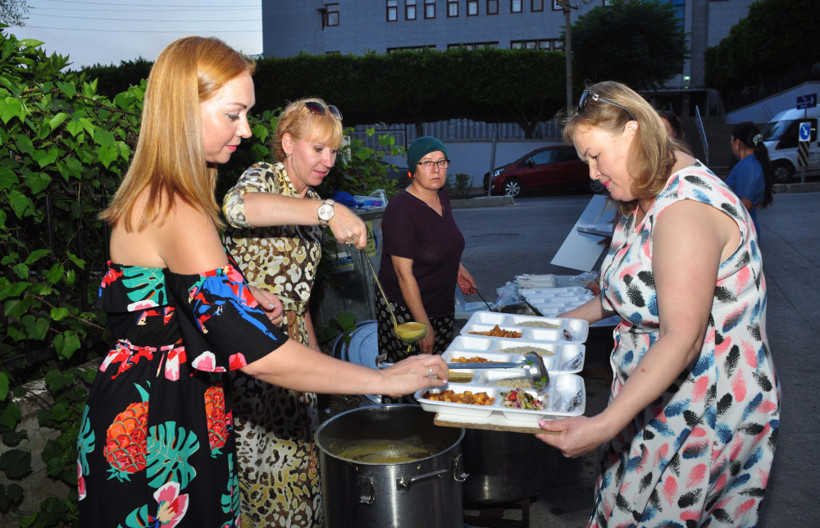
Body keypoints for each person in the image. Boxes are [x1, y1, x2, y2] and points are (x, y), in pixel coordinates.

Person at [76, 36, 448, 528]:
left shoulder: (160, 192)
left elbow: (161, 301)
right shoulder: (179, 207)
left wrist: (244, 295)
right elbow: (260, 352)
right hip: (157, 426)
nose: (247, 130)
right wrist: (383, 379)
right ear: (183, 110)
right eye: (233, 114)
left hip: (157, 410)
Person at [537, 81, 780, 527]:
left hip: (704, 410)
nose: (591, 172)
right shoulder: (641, 195)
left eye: (595, 155)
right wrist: (540, 333)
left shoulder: (685, 209)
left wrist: (603, 425)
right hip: (652, 396)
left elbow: (682, 339)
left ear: (632, 132)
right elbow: (617, 294)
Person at [222, 97, 354, 527]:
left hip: (295, 351)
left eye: (333, 151)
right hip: (252, 354)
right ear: (287, 143)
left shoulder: (313, 201)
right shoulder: (264, 178)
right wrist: (328, 211)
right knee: (263, 483)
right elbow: (236, 208)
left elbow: (302, 302)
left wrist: (319, 371)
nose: (328, 160)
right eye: (318, 149)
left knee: (305, 479)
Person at [376, 136, 477, 361]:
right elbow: (403, 274)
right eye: (427, 162)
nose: (436, 169)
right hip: (407, 311)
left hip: (440, 302)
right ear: (414, 168)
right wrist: (423, 325)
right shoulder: (401, 210)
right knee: (409, 378)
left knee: (438, 374)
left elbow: (441, 240)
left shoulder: (441, 196)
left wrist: (458, 269)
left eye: (441, 162)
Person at [725, 121, 775, 237]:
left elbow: (745, 204)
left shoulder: (748, 166)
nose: (731, 144)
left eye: (731, 140)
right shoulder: (750, 163)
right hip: (746, 226)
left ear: (738, 143)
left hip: (743, 230)